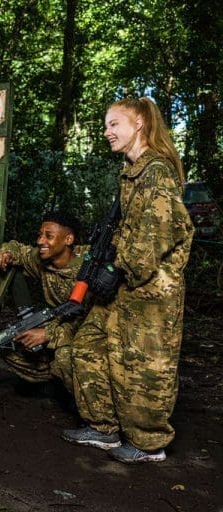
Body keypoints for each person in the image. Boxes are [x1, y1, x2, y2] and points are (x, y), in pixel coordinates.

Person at [62, 97, 194, 464]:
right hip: (124, 285)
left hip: (151, 290)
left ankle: (148, 444)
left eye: (114, 124)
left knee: (146, 366)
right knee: (87, 344)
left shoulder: (157, 172)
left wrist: (119, 269)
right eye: (106, 125)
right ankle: (102, 426)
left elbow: (157, 233)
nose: (107, 132)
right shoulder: (131, 171)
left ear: (138, 124)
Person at [0, 211, 88, 396]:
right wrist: (7, 253)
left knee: (64, 357)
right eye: (40, 235)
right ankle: (54, 383)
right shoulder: (43, 259)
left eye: (49, 236)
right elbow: (17, 249)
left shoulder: (89, 267)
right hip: (57, 327)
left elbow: (89, 320)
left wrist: (48, 334)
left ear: (68, 239)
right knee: (6, 344)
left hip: (85, 335)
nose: (40, 241)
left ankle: (78, 399)